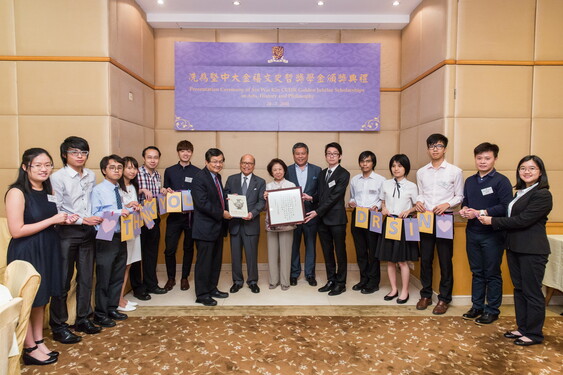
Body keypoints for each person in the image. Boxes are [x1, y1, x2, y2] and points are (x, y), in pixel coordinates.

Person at [6, 148, 77, 365]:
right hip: (27, 250)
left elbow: (49, 219)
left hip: (47, 247)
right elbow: (16, 230)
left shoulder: (47, 190)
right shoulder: (17, 192)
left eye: (47, 164)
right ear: (25, 167)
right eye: (38, 165)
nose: (43, 169)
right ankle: (29, 347)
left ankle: (38, 340)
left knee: (42, 298)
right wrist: (52, 220)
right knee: (29, 298)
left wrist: (64, 219)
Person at [479, 155, 552, 346]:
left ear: (540, 172)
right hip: (514, 248)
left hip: (532, 250)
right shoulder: (520, 192)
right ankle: (523, 328)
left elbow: (523, 220)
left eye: (532, 168)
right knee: (519, 290)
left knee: (532, 291)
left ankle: (534, 333)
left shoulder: (542, 194)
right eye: (523, 168)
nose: (526, 172)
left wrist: (492, 221)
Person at [49, 136, 102, 344]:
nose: (80, 156)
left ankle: (82, 318)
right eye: (75, 152)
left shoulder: (90, 175)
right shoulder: (57, 178)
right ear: (65, 155)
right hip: (66, 233)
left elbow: (91, 202)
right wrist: (83, 219)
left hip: (88, 232)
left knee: (86, 278)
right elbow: (57, 208)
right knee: (63, 280)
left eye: (83, 153)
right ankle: (59, 325)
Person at [459, 143, 513, 324]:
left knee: (492, 272)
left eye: (487, 158)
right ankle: (477, 306)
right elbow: (466, 202)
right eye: (479, 158)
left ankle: (492, 309)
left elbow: (506, 207)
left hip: (493, 234)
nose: (482, 162)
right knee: (477, 271)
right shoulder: (470, 181)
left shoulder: (501, 181)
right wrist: (465, 210)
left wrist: (481, 212)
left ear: (495, 159)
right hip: (472, 232)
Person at [414, 133, 463, 314]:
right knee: (426, 259)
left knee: (444, 259)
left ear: (445, 149)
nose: (435, 149)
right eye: (432, 146)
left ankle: (444, 298)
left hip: (445, 218)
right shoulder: (421, 172)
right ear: (428, 149)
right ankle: (426, 294)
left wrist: (447, 204)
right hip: (426, 217)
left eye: (439, 146)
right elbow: (421, 193)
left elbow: (460, 196)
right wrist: (418, 201)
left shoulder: (455, 171)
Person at [91, 155, 131, 328]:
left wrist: (130, 208)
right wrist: (117, 212)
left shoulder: (119, 190)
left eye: (119, 168)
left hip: (121, 234)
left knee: (117, 274)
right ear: (104, 170)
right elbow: (95, 215)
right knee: (104, 276)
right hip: (105, 234)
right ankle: (100, 313)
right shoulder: (98, 190)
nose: (117, 170)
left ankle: (112, 307)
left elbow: (122, 209)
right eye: (112, 167)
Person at [305, 142, 350, 296]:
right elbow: (322, 194)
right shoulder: (323, 173)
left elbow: (334, 197)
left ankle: (341, 283)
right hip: (323, 220)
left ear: (340, 156)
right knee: (327, 251)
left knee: (340, 252)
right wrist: (311, 197)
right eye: (328, 153)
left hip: (337, 220)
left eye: (335, 153)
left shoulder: (344, 174)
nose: (331, 156)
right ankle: (331, 280)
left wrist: (317, 211)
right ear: (325, 156)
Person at [377, 154, 419, 304]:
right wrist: (383, 208)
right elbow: (382, 201)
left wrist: (410, 211)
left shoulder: (412, 186)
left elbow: (418, 205)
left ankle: (405, 291)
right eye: (394, 166)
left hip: (403, 224)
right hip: (389, 222)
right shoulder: (386, 184)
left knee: (402, 261)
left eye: (400, 166)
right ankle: (394, 289)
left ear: (405, 168)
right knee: (390, 260)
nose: (396, 169)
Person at [191, 148, 231, 306]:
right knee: (204, 263)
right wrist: (222, 213)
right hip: (204, 229)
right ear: (206, 162)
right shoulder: (199, 178)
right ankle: (201, 294)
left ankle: (212, 288)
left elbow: (217, 199)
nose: (218, 164)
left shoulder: (217, 176)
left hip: (217, 228)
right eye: (214, 161)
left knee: (215, 261)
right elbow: (202, 204)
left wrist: (228, 200)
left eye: (220, 161)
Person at [130, 146, 168, 301]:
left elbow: (155, 196)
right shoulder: (136, 173)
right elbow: (126, 189)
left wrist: (163, 192)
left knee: (151, 253)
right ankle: (138, 289)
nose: (153, 160)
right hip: (138, 219)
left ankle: (151, 284)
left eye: (156, 157)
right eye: (149, 157)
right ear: (144, 158)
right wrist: (141, 190)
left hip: (153, 218)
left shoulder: (157, 175)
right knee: (136, 255)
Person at [224, 154, 266, 294]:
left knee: (251, 255)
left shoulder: (260, 181)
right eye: (244, 163)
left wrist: (252, 214)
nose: (247, 165)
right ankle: (237, 281)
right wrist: (228, 200)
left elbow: (261, 202)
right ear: (240, 163)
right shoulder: (231, 179)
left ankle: (252, 281)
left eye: (250, 163)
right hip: (235, 224)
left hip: (251, 224)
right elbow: (224, 198)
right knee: (235, 255)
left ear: (254, 165)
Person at [162, 140, 200, 291]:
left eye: (188, 151)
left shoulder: (197, 171)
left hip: (191, 217)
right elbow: (165, 190)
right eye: (183, 151)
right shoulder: (169, 170)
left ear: (192, 153)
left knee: (188, 248)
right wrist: (166, 191)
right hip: (174, 217)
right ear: (178, 152)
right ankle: (171, 278)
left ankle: (185, 277)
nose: (186, 153)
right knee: (169, 249)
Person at [348, 151, 385, 294]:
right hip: (358, 215)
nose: (365, 164)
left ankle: (373, 282)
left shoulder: (381, 180)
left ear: (373, 163)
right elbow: (352, 197)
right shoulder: (354, 179)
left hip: (373, 216)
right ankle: (363, 279)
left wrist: (378, 206)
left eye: (368, 161)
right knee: (361, 250)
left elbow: (383, 200)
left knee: (373, 251)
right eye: (362, 161)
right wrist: (352, 203)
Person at [286, 142, 321, 287]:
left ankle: (310, 274)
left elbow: (321, 193)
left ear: (307, 154)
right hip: (293, 216)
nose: (300, 156)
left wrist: (312, 198)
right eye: (297, 153)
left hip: (311, 215)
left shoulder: (317, 170)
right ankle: (294, 274)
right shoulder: (286, 170)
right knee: (294, 246)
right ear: (293, 155)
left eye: (303, 153)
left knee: (311, 245)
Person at [264, 159, 296, 290]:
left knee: (286, 253)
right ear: (271, 172)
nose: (277, 172)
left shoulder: (291, 185)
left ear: (284, 170)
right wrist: (265, 198)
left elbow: (295, 206)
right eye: (274, 170)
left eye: (280, 169)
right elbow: (264, 207)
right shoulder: (267, 187)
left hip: (287, 225)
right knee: (272, 253)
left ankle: (285, 281)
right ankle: (273, 281)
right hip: (271, 225)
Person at [117, 156, 142, 312]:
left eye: (134, 168)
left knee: (128, 264)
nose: (132, 171)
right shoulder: (116, 188)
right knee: (121, 265)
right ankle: (117, 299)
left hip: (133, 229)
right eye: (129, 168)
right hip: (120, 230)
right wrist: (128, 205)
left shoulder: (133, 187)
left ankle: (120, 298)